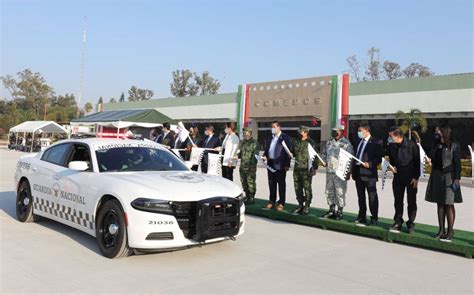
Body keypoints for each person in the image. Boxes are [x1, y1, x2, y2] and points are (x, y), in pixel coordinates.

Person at [425, 124, 463, 242]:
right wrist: (434, 145)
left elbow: (457, 163)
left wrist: (457, 178)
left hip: (450, 177)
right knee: (440, 204)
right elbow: (432, 156)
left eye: (438, 131)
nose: (436, 133)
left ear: (444, 132)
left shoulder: (454, 145)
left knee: (449, 203)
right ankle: (441, 230)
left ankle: (450, 231)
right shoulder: (437, 144)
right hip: (437, 176)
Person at [387, 126, 420, 233]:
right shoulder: (391, 146)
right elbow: (391, 160)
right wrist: (392, 167)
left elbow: (417, 162)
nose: (390, 138)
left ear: (398, 136)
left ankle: (410, 223)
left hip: (411, 178)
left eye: (391, 136)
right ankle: (398, 221)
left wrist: (416, 177)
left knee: (411, 201)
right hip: (398, 178)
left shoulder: (411, 145)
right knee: (398, 201)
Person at [352, 123, 383, 226]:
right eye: (358, 131)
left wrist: (369, 164)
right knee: (361, 196)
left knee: (372, 196)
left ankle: (374, 218)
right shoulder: (358, 141)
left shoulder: (376, 142)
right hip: (358, 173)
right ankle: (362, 216)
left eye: (360, 131)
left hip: (369, 174)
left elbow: (378, 158)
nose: (359, 133)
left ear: (367, 131)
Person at [320, 124, 354, 220]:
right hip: (330, 171)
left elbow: (350, 159)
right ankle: (331, 210)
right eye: (333, 130)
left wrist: (348, 172)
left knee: (340, 192)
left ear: (341, 131)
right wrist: (323, 161)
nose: (334, 132)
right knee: (329, 191)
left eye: (336, 131)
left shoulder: (346, 143)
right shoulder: (329, 142)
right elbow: (323, 153)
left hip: (340, 172)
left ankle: (340, 211)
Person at [262, 121, 292, 211]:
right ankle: (272, 201)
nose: (272, 129)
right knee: (271, 183)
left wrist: (287, 164)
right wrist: (265, 156)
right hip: (270, 164)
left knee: (281, 184)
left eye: (274, 127)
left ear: (279, 127)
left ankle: (281, 203)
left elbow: (288, 152)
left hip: (280, 165)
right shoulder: (270, 137)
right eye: (272, 127)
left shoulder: (285, 137)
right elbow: (268, 149)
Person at [291, 126, 318, 215]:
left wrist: (314, 168)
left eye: (301, 132)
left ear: (306, 132)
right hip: (297, 169)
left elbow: (315, 157)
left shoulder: (311, 143)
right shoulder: (296, 142)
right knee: (297, 188)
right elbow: (294, 153)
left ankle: (307, 206)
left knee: (307, 188)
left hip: (306, 169)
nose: (299, 133)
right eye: (299, 132)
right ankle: (300, 205)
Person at [238, 128, 259, 204]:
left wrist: (252, 167)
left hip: (250, 168)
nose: (245, 135)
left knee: (251, 183)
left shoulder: (255, 143)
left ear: (250, 134)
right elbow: (240, 154)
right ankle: (247, 196)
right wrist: (237, 155)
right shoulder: (243, 143)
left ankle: (252, 197)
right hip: (242, 167)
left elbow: (255, 156)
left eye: (246, 134)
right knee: (244, 182)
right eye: (244, 134)